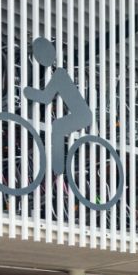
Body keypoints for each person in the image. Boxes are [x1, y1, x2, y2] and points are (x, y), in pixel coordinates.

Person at [23, 36, 94, 178]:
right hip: (80, 115)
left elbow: (46, 97)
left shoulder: (59, 74)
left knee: (58, 126)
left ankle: (58, 166)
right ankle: (61, 164)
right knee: (59, 125)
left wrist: (28, 92)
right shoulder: (58, 74)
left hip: (82, 116)